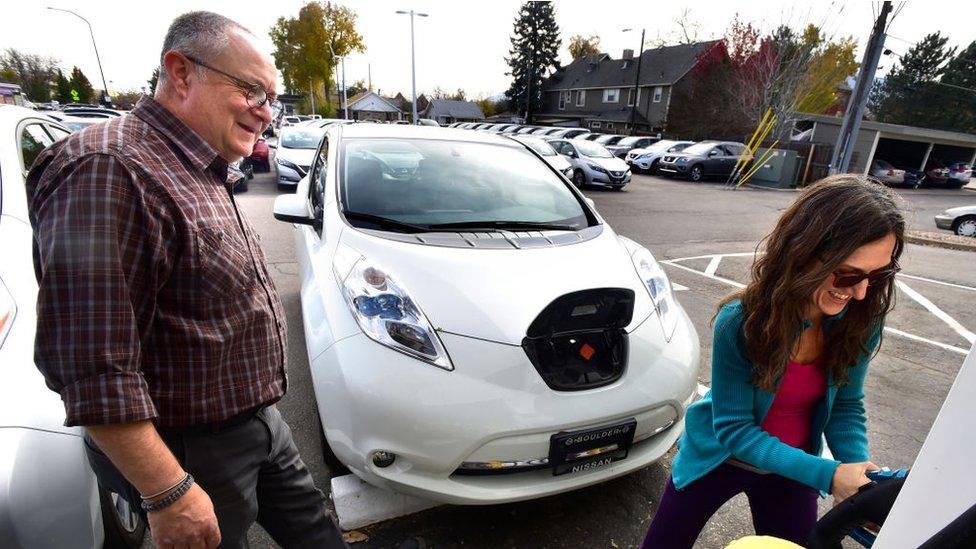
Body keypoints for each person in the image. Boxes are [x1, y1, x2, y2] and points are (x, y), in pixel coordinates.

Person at [27, 11, 346, 548]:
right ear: (180, 73)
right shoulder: (111, 169)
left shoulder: (196, 162)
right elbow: (92, 365)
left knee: (317, 534)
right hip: (192, 450)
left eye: (271, 97)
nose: (266, 113)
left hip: (259, 424)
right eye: (251, 90)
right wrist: (168, 491)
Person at [640, 175, 906, 547]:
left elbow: (846, 404)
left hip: (794, 466)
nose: (862, 293)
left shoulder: (863, 319)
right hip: (720, 457)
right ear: (805, 251)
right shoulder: (742, 320)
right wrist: (830, 475)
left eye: (879, 276)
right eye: (849, 274)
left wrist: (859, 477)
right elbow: (734, 430)